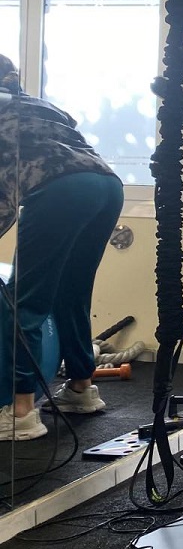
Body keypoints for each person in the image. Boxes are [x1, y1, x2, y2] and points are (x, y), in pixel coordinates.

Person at [0, 54, 125, 441]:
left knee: (24, 300)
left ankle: (20, 411)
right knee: (72, 292)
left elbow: (4, 196)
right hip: (107, 185)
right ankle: (81, 388)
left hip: (60, 189)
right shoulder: (41, 105)